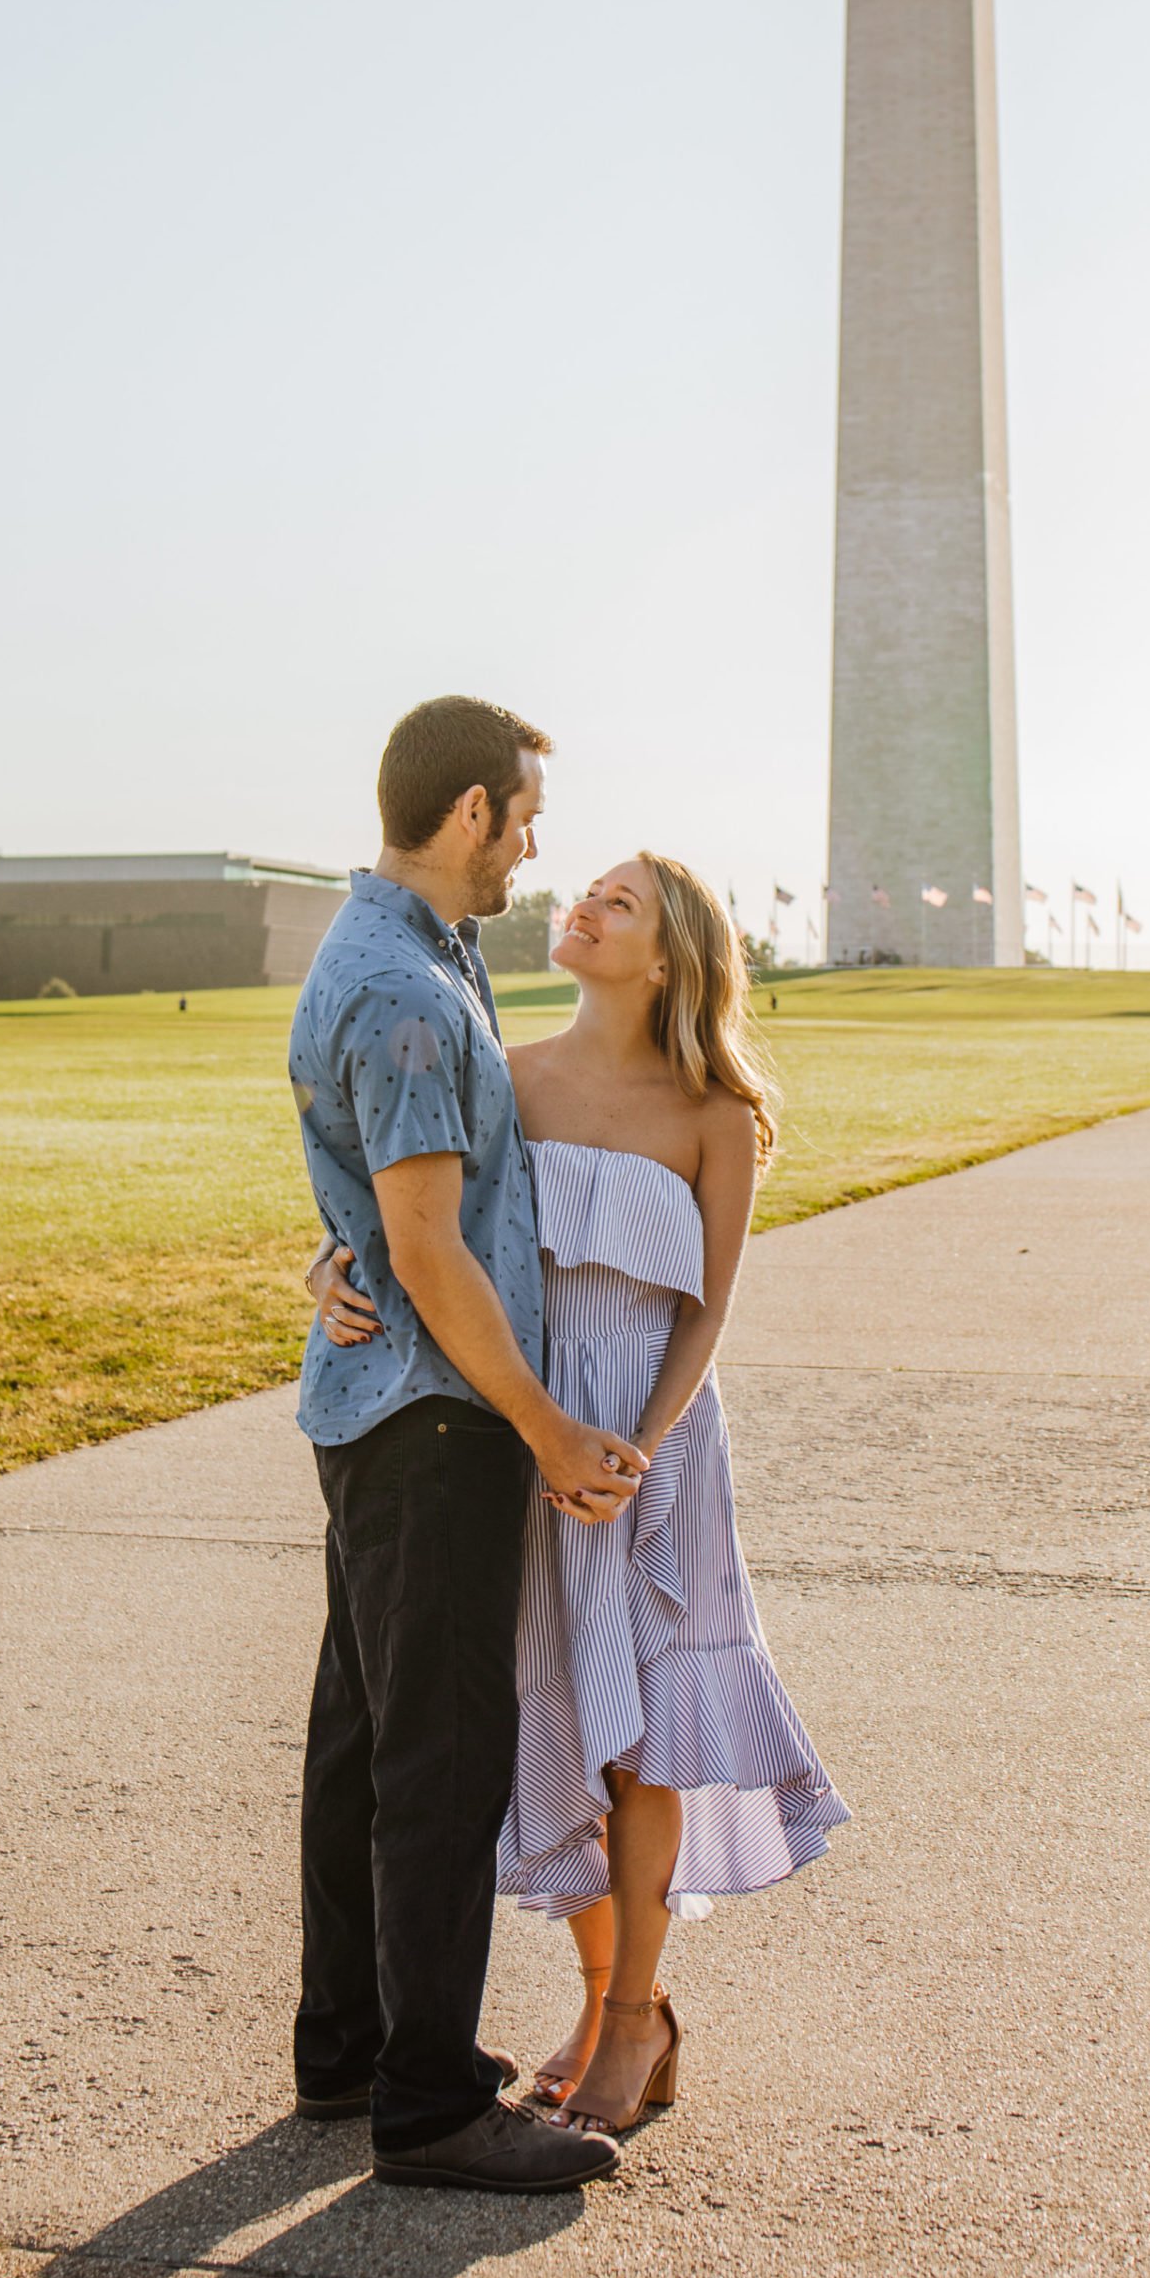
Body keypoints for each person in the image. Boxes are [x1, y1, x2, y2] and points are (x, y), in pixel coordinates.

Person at [315, 852, 848, 2140]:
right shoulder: (512, 1077)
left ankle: (632, 2025)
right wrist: (329, 1270)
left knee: (648, 1729)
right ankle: (610, 1998)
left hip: (655, 1456)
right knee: (562, 1724)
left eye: (619, 901)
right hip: (531, 1434)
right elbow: (417, 1213)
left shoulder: (718, 1112)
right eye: (587, 890)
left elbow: (709, 1311)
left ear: (668, 956)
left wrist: (639, 1452)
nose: (583, 906)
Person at [287, 695, 643, 2193]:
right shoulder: (416, 991)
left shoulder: (405, 956)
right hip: (439, 1422)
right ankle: (428, 2104)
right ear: (470, 815)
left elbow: (376, 1206)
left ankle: (350, 2047)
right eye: (525, 815)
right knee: (438, 1758)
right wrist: (549, 1423)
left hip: (382, 1409)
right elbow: (431, 1250)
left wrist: (329, 1252)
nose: (536, 845)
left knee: (365, 1740)